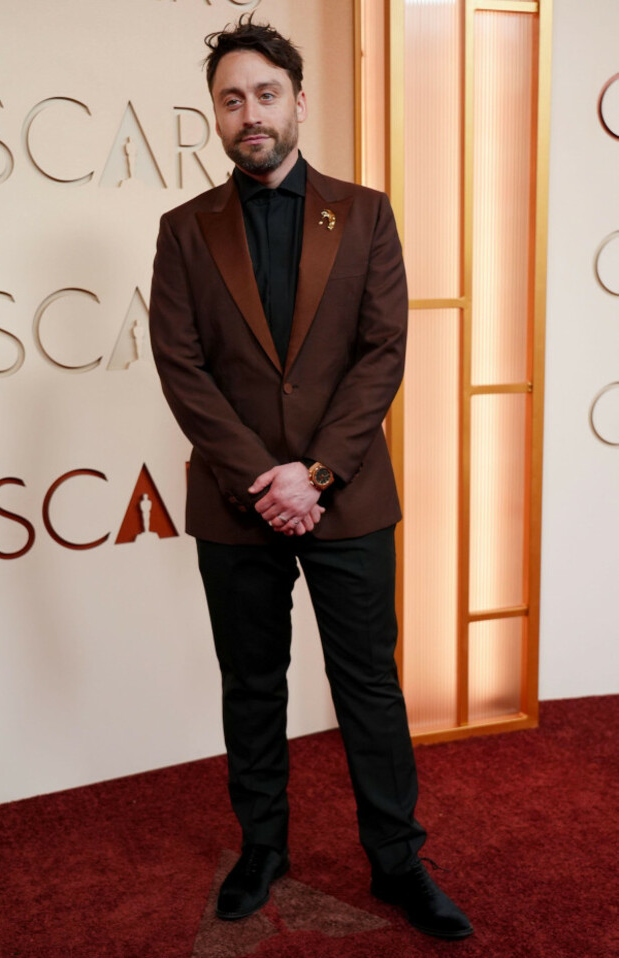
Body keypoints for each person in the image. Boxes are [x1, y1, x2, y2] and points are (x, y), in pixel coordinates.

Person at [149, 16, 472, 941]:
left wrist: (317, 474)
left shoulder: (365, 214)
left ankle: (398, 862)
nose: (249, 113)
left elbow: (382, 352)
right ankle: (262, 848)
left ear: (299, 100)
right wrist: (267, 478)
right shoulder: (184, 231)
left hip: (350, 496)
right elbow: (182, 369)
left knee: (368, 684)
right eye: (231, 99)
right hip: (236, 503)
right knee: (251, 684)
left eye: (265, 94)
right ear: (216, 115)